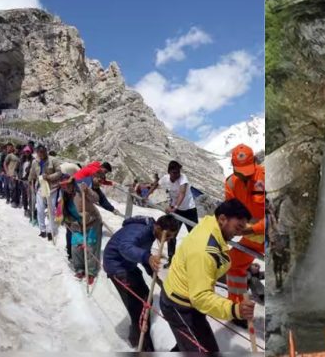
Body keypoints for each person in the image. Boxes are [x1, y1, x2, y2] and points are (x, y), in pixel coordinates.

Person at [160, 199, 256, 352]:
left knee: (189, 343)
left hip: (186, 297)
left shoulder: (210, 224)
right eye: (238, 227)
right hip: (180, 305)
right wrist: (235, 310)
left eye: (242, 228)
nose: (238, 233)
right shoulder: (204, 251)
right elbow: (201, 297)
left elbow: (215, 259)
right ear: (223, 218)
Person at [103, 214, 182, 351]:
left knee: (146, 296)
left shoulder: (151, 232)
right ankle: (144, 345)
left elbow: (145, 255)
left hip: (128, 265)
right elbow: (125, 247)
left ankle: (137, 332)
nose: (168, 240)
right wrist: (147, 257)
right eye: (167, 236)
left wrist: (152, 273)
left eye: (171, 237)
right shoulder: (141, 231)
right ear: (158, 227)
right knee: (137, 306)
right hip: (117, 266)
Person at [224, 144, 266, 328]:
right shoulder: (231, 183)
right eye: (240, 172)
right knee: (233, 265)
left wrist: (254, 228)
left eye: (247, 171)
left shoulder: (266, 176)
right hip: (252, 239)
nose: (244, 176)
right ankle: (238, 310)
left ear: (255, 162)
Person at [147, 160, 198, 267]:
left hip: (189, 210)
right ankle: (171, 260)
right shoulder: (165, 178)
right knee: (171, 235)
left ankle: (195, 261)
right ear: (169, 172)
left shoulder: (183, 178)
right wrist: (146, 195)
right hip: (177, 211)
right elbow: (156, 185)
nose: (177, 175)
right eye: (174, 172)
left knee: (195, 236)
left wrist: (175, 207)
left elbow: (182, 193)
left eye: (178, 172)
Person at [59, 176, 101, 284]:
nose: (66, 187)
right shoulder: (63, 197)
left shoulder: (81, 191)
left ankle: (91, 271)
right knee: (76, 246)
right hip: (76, 225)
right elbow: (61, 213)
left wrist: (87, 191)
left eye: (68, 184)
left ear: (72, 183)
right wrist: (64, 219)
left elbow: (96, 198)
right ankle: (79, 269)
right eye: (63, 185)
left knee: (91, 246)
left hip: (92, 222)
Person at [27, 145, 62, 240]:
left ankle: (50, 231)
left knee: (51, 210)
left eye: (43, 152)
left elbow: (59, 173)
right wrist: (30, 181)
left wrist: (49, 177)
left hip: (52, 188)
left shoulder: (53, 160)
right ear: (37, 153)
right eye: (39, 153)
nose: (41, 154)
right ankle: (42, 229)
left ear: (46, 151)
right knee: (40, 209)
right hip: (40, 188)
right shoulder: (35, 162)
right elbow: (32, 173)